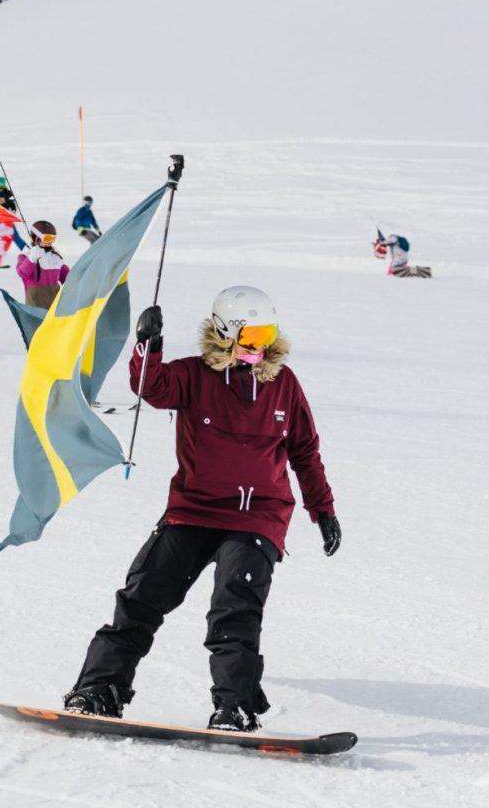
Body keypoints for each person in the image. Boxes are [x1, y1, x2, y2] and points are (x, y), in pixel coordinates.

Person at [63, 285, 341, 733]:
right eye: (251, 335)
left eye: (267, 333)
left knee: (234, 606)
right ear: (226, 333)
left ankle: (236, 706)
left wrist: (322, 510)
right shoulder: (194, 375)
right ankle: (100, 689)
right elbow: (150, 386)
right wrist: (147, 347)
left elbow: (304, 451)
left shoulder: (283, 384)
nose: (261, 345)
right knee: (142, 595)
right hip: (193, 509)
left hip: (258, 515)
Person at [15, 220, 69, 308]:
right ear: (36, 237)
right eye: (47, 238)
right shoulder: (26, 255)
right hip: (35, 303)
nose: (50, 242)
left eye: (53, 239)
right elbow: (22, 273)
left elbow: (66, 277)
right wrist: (32, 258)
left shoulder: (55, 256)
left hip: (55, 303)